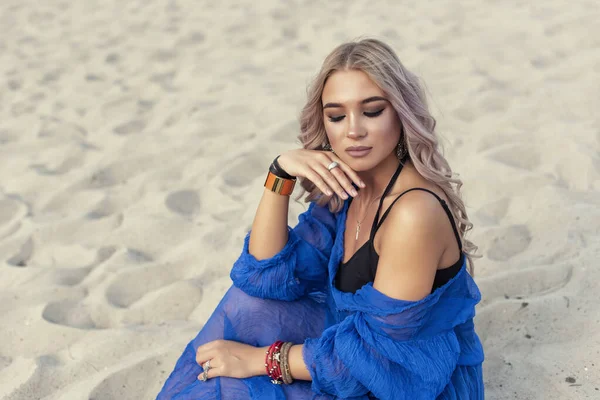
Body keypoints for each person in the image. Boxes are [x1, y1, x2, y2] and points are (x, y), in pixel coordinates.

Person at [157, 38, 484, 400]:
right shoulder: (351, 184)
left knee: (234, 387)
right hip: (354, 343)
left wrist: (262, 360)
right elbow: (265, 276)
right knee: (247, 305)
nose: (353, 130)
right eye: (337, 116)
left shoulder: (413, 212)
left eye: (372, 111)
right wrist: (279, 173)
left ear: (401, 113)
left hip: (404, 378)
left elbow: (379, 357)